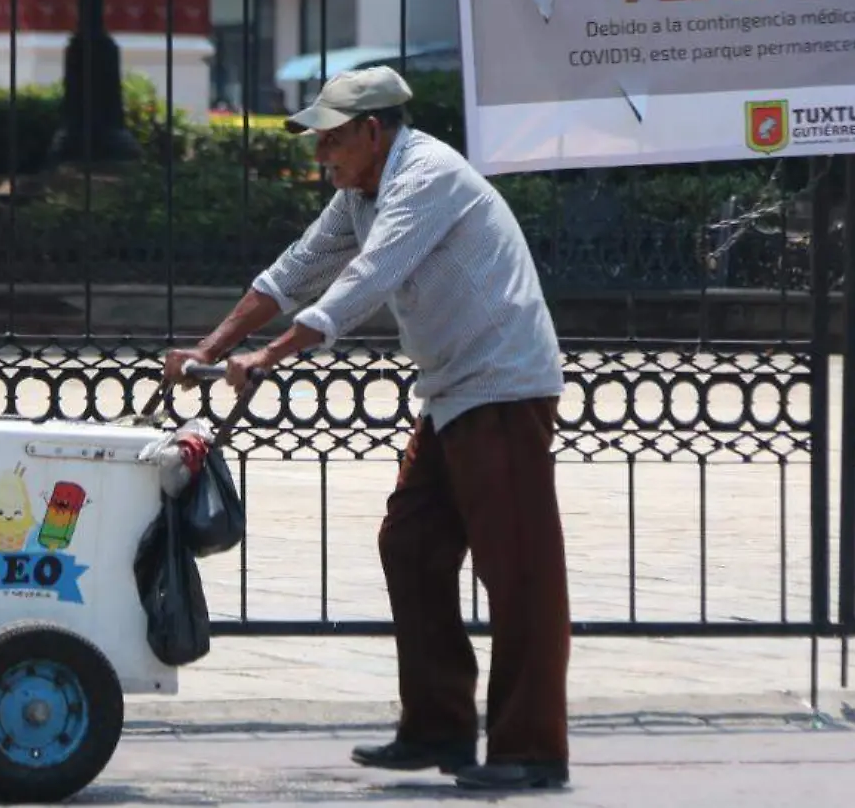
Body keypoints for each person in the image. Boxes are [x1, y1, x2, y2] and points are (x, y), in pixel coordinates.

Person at [163, 66, 572, 791]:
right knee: (410, 543)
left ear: (372, 131)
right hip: (451, 389)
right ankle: (437, 726)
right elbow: (294, 272)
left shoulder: (428, 176)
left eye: (331, 139)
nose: (321, 154)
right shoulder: (360, 191)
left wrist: (271, 356)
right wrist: (211, 348)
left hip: (504, 384)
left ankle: (531, 747)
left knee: (519, 571)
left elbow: (369, 280)